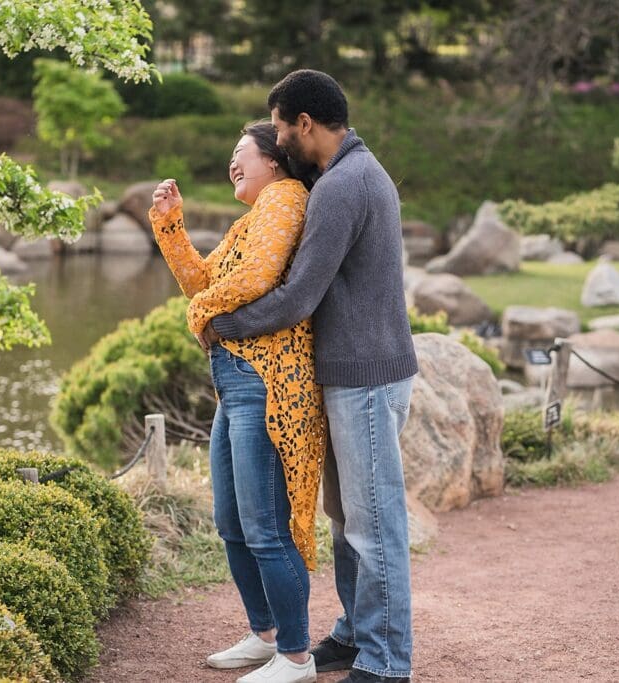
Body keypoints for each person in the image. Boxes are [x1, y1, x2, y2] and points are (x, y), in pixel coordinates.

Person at [204, 70, 418, 683]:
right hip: (352, 373)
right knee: (351, 521)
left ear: (303, 124)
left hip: (366, 376)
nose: (276, 139)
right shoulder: (344, 176)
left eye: (277, 126)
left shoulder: (344, 185)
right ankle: (354, 635)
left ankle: (386, 661)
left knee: (375, 524)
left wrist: (227, 324)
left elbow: (299, 296)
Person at [149, 121, 326, 683]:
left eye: (238, 152)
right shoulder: (251, 218)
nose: (232, 161)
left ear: (273, 159)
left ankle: (296, 656)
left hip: (267, 381)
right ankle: (265, 634)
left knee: (265, 525)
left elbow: (258, 276)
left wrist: (203, 314)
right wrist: (170, 225)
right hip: (234, 381)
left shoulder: (286, 200)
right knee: (231, 520)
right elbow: (202, 281)